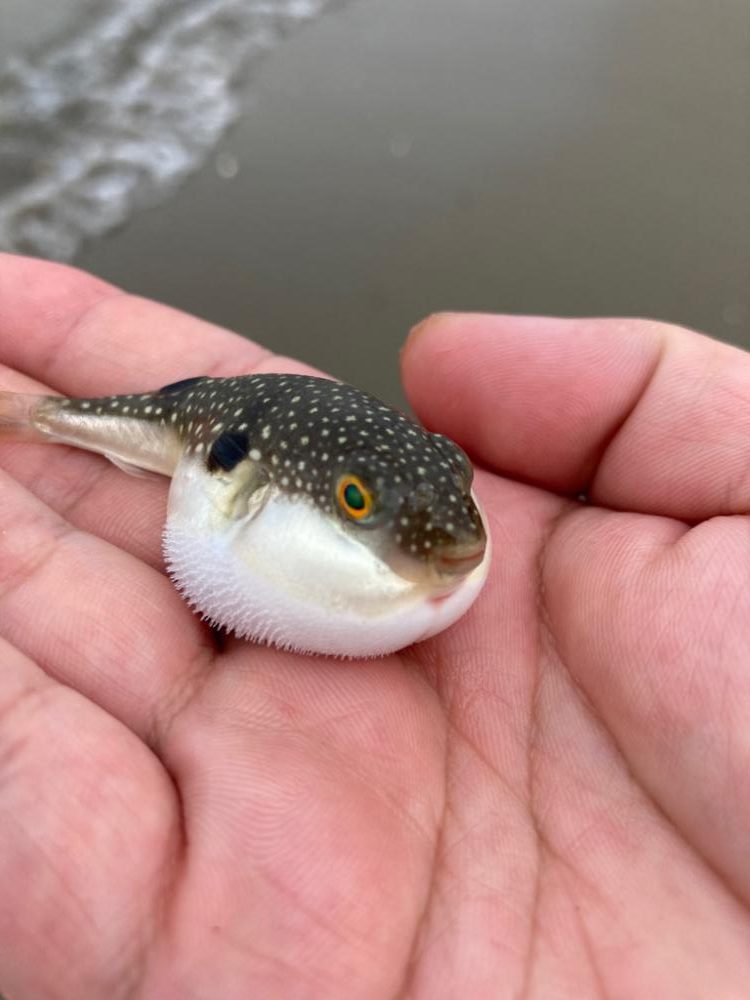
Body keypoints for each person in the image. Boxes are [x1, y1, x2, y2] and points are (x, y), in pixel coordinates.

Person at [0, 253, 748, 1000]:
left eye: (452, 479)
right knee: (60, 420)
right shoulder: (233, 468)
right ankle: (32, 420)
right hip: (220, 418)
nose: (448, 535)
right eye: (358, 501)